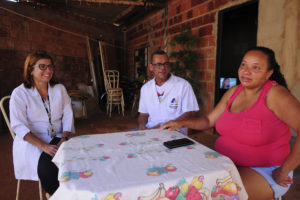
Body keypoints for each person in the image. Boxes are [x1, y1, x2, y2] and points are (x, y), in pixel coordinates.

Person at [160, 46, 300, 200]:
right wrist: (181, 123)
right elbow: (208, 120)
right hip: (225, 163)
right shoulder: (234, 92)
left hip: (263, 170)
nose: (246, 71)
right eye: (243, 64)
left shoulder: (275, 94)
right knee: (182, 180)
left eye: (256, 67)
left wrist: (285, 170)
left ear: (269, 73)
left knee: (212, 194)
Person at [10, 51, 75, 198]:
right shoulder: (19, 94)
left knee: (76, 160)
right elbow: (19, 126)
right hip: (32, 141)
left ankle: (70, 192)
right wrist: (44, 146)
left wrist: (64, 138)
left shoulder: (59, 89)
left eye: (51, 66)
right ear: (30, 70)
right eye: (42, 67)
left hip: (59, 136)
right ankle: (56, 195)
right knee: (49, 166)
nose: (48, 70)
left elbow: (68, 115)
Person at [138, 50, 199, 135]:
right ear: (151, 67)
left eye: (166, 64)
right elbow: (143, 114)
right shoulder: (145, 88)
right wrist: (142, 125)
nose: (163, 68)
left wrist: (166, 126)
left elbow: (190, 113)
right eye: (159, 64)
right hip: (150, 131)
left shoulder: (183, 85)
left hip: (175, 132)